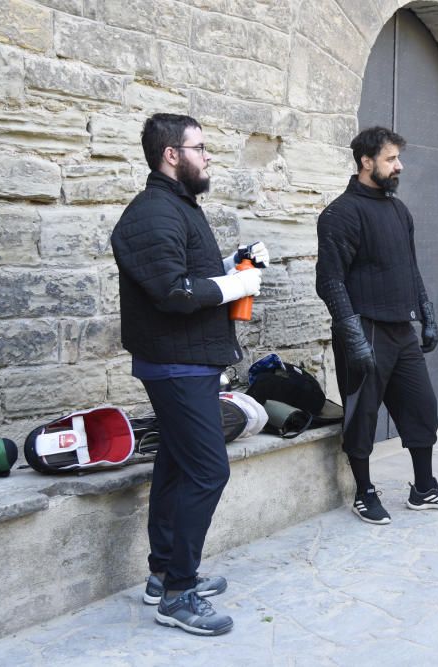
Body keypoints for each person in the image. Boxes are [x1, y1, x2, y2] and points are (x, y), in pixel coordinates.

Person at [111, 113, 268, 635]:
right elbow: (174, 292)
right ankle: (178, 594)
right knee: (208, 470)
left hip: (189, 360)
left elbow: (185, 271)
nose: (208, 157)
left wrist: (234, 263)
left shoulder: (176, 206)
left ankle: (163, 573)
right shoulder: (152, 213)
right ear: (171, 155)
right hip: (175, 363)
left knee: (178, 464)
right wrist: (235, 288)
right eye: (200, 148)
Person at [315, 126, 438, 525]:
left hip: (401, 329)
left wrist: (427, 315)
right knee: (362, 413)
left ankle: (423, 487)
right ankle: (364, 492)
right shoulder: (340, 214)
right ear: (366, 162)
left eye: (398, 157)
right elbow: (329, 280)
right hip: (363, 328)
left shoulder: (399, 210)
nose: (399, 165)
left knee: (421, 407)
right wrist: (353, 338)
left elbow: (409, 268)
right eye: (390, 159)